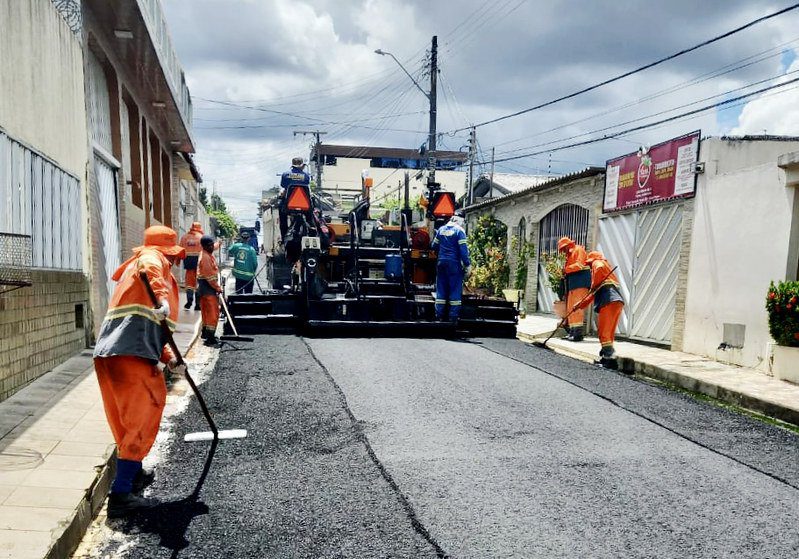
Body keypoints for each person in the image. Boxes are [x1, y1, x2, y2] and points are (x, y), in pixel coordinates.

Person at [93, 225, 186, 517]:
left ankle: (133, 474)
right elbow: (150, 268)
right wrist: (160, 298)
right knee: (145, 413)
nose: (174, 261)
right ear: (165, 250)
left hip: (112, 353)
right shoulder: (150, 259)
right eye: (172, 255)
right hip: (131, 355)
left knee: (125, 421)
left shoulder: (134, 274)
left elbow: (154, 328)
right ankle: (121, 496)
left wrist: (170, 358)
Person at [579, 250, 624, 369]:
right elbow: (592, 295)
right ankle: (606, 358)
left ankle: (610, 360)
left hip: (608, 301)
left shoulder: (598, 263)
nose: (590, 267)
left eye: (589, 264)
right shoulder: (607, 273)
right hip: (616, 302)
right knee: (608, 333)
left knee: (604, 332)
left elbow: (598, 268)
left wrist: (593, 284)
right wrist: (580, 305)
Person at [431, 213, 471, 322]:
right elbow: (463, 252)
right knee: (455, 289)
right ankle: (453, 317)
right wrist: (467, 265)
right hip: (454, 265)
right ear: (459, 220)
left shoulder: (441, 230)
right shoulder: (459, 231)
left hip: (441, 263)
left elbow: (433, 246)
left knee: (441, 289)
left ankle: (438, 315)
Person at [558, 236, 590, 341]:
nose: (563, 252)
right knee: (571, 309)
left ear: (568, 246)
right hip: (574, 284)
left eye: (563, 249)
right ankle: (572, 332)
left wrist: (566, 269)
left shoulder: (578, 250)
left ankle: (577, 334)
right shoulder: (570, 254)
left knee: (577, 308)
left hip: (580, 284)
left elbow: (579, 265)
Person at [197, 235, 223, 345]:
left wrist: (219, 243)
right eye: (210, 245)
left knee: (206, 312)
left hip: (205, 288)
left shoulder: (207, 252)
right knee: (212, 312)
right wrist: (218, 288)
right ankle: (210, 337)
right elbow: (210, 277)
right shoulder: (205, 258)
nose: (213, 247)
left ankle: (205, 333)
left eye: (213, 245)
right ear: (205, 246)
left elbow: (215, 246)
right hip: (208, 288)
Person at [279, 157, 311, 242]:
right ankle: (311, 228)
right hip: (305, 205)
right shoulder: (306, 176)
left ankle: (283, 236)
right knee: (311, 215)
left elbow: (283, 186)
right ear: (302, 166)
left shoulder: (285, 174)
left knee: (282, 216)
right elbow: (307, 184)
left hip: (289, 205)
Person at [179, 222, 204, 310]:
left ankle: (189, 301)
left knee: (189, 283)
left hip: (188, 261)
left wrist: (178, 261)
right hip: (199, 263)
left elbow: (180, 250)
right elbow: (208, 249)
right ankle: (198, 304)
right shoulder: (201, 237)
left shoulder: (184, 237)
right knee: (198, 283)